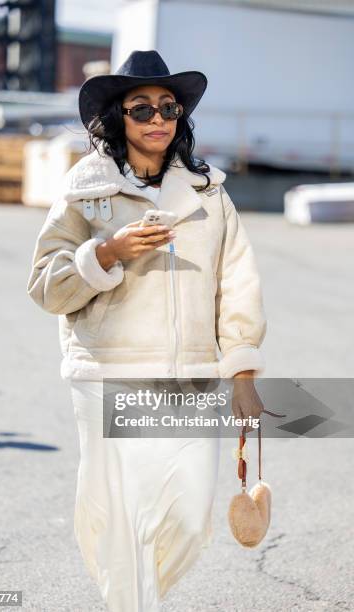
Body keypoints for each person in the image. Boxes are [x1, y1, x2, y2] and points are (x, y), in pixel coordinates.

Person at [27, 49, 267, 612]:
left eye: (169, 107)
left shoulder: (210, 194)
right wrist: (106, 253)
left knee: (187, 514)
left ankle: (139, 599)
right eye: (142, 109)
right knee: (120, 519)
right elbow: (45, 284)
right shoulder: (86, 191)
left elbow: (237, 283)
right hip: (108, 375)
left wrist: (243, 372)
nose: (158, 119)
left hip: (189, 378)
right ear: (118, 118)